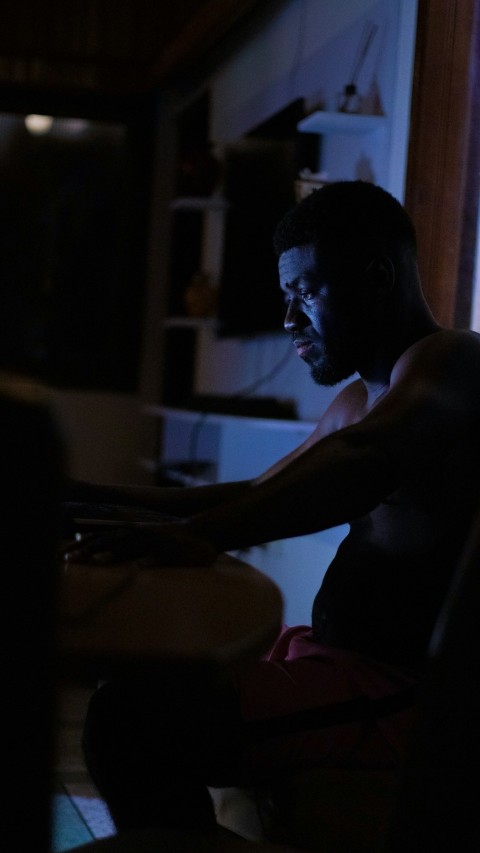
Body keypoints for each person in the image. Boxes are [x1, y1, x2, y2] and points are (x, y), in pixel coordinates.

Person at [63, 180, 480, 835]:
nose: (289, 319)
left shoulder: (458, 361)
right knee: (138, 688)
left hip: (397, 690)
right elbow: (253, 493)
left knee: (131, 721)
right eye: (286, 297)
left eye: (306, 293)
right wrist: (93, 498)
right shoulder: (358, 399)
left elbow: (364, 459)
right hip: (331, 660)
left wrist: (205, 536)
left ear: (378, 276)